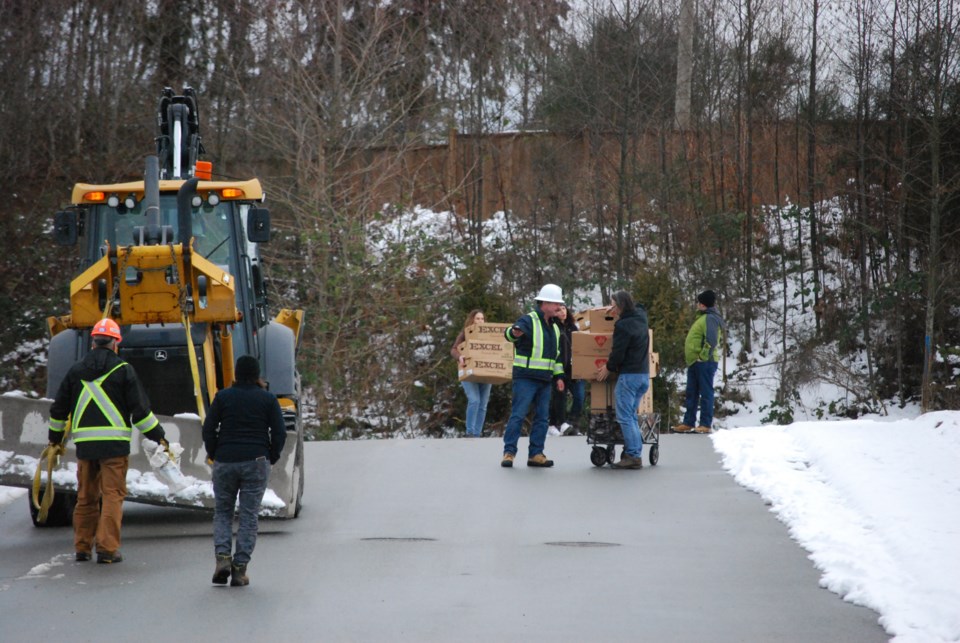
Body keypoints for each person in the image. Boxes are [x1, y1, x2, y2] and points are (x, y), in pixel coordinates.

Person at [47, 318, 166, 564]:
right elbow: (140, 412)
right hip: (114, 447)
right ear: (115, 343)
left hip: (86, 448)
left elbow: (58, 411)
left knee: (86, 497)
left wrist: (55, 440)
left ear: (93, 343)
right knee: (112, 495)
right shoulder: (123, 370)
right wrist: (158, 437)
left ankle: (82, 547)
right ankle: (107, 549)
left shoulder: (75, 370)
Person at [202, 355, 286, 587]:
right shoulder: (268, 400)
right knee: (249, 515)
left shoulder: (223, 397)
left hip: (226, 460)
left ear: (236, 374)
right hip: (256, 461)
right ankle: (240, 569)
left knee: (223, 512)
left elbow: (208, 428)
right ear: (257, 375)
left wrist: (215, 452)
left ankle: (222, 559)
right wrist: (271, 455)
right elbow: (279, 433)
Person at [501, 284, 566, 468]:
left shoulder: (554, 327)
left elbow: (557, 355)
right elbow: (510, 334)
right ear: (544, 303)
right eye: (555, 303)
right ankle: (509, 453)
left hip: (545, 380)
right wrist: (513, 332)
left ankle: (536, 454)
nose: (558, 307)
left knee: (542, 418)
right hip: (526, 378)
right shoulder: (528, 320)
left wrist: (559, 376)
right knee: (518, 415)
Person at [597, 291, 650, 469]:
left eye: (613, 305)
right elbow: (640, 306)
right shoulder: (641, 317)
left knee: (625, 417)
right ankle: (633, 452)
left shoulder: (623, 326)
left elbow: (618, 353)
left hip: (629, 377)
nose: (611, 309)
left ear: (620, 306)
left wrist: (608, 367)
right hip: (643, 376)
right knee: (631, 416)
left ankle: (634, 456)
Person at [674, 290, 725, 434]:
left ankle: (705, 424)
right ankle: (688, 422)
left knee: (705, 392)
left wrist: (702, 356)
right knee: (692, 392)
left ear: (703, 304)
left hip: (705, 362)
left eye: (698, 302)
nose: (697, 304)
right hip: (695, 363)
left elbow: (712, 340)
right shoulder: (703, 318)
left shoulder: (710, 318)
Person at [451, 309, 492, 437]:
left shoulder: (490, 335)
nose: (480, 321)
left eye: (482, 319)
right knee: (474, 400)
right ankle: (469, 432)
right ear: (472, 320)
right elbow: (453, 349)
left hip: (485, 372)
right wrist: (460, 357)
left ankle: (477, 434)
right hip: (468, 371)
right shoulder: (465, 333)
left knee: (483, 404)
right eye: (477, 318)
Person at [548, 304, 584, 436]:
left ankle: (572, 424)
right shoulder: (553, 327)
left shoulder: (573, 327)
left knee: (579, 397)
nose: (562, 312)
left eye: (563, 309)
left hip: (574, 369)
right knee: (559, 397)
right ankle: (554, 424)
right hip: (559, 369)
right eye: (558, 310)